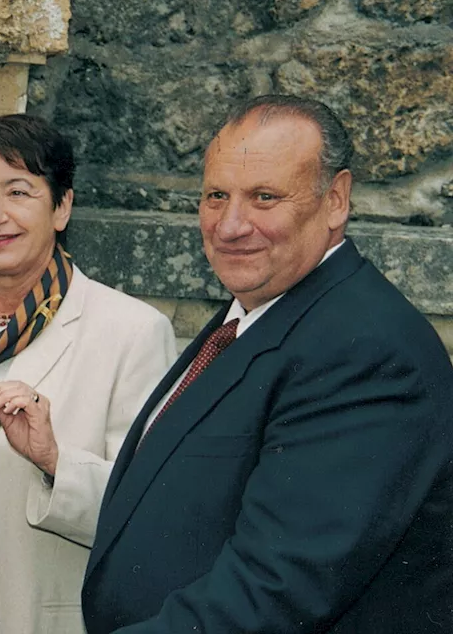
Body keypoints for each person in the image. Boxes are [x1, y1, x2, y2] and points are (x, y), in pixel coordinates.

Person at [82, 95, 453, 633]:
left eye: (264, 197)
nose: (231, 225)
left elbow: (275, 591)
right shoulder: (257, 310)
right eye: (215, 196)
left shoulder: (365, 351)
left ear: (336, 200)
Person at [0, 113, 177, 634]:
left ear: (61, 206)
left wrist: (54, 460)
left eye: (18, 192)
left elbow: (152, 511)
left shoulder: (132, 332)